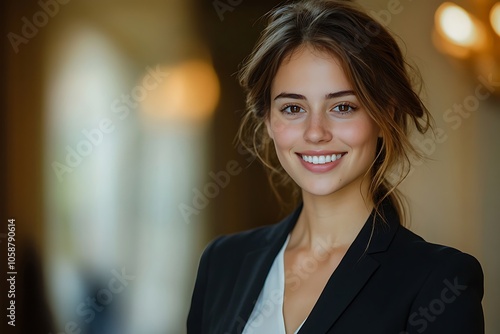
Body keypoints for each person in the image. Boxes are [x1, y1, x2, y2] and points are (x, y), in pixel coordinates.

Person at [187, 0, 484, 333]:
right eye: (292, 108)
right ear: (268, 120)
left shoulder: (438, 280)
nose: (316, 132)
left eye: (342, 106)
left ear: (383, 115)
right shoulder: (223, 263)